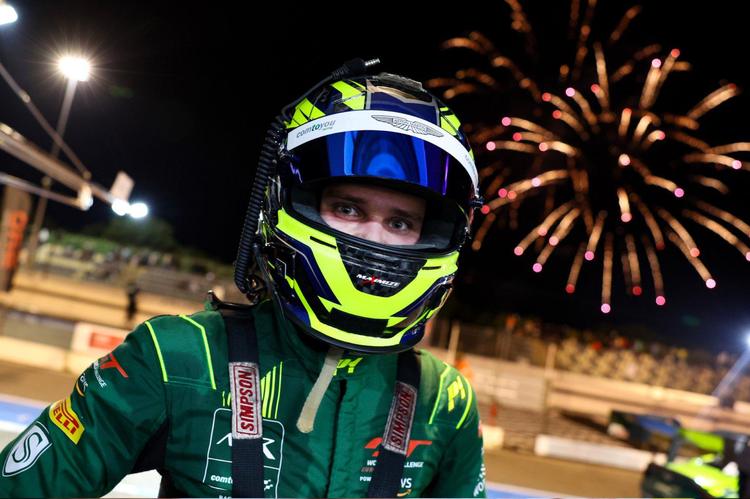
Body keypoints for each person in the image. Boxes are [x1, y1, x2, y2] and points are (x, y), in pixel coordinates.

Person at [0, 60, 486, 498]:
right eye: (347, 209)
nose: (374, 239)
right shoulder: (177, 358)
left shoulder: (445, 401)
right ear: (285, 203)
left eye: (400, 222)